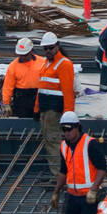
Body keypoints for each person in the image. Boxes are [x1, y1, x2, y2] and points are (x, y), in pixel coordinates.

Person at [36, 32, 75, 182]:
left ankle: (60, 176)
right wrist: (36, 109)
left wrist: (68, 117)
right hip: (45, 111)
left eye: (51, 48)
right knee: (49, 142)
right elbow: (41, 88)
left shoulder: (64, 64)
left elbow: (68, 93)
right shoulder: (46, 63)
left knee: (55, 142)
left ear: (57, 46)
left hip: (55, 112)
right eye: (45, 49)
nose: (48, 51)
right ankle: (57, 175)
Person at [1, 37, 43, 118]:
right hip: (22, 100)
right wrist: (6, 103)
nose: (23, 57)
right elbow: (7, 86)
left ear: (31, 51)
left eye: (25, 55)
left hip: (39, 97)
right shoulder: (13, 66)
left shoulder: (42, 62)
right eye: (21, 55)